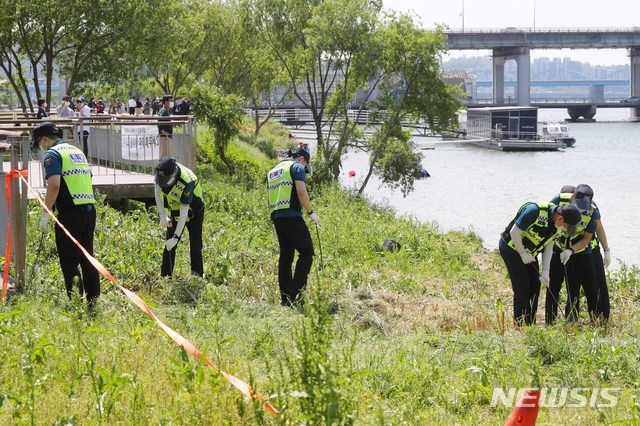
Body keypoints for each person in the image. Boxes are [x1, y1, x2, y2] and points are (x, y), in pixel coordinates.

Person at [32, 122, 100, 305]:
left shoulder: (53, 154)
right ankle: (93, 302)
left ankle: (76, 304)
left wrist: (46, 214)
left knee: (70, 262)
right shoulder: (76, 152)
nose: (40, 148)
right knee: (87, 258)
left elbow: (54, 185)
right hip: (89, 210)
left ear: (44, 140)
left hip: (70, 214)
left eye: (39, 143)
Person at [499, 201, 581, 326]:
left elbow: (549, 246)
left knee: (535, 285)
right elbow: (514, 232)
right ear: (560, 218)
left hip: (529, 252)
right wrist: (522, 254)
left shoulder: (556, 226)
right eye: (566, 226)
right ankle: (519, 324)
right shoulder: (533, 211)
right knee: (523, 284)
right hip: (511, 248)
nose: (565, 229)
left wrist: (546, 272)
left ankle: (530, 322)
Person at [545, 184, 606, 324]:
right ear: (573, 198)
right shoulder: (558, 201)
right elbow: (549, 222)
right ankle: (549, 322)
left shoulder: (593, 211)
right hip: (557, 248)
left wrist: (571, 251)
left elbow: (587, 238)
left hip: (581, 251)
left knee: (591, 286)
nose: (583, 207)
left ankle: (597, 322)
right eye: (580, 203)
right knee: (553, 285)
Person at [267, 147, 319, 307]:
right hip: (291, 215)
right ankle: (297, 297)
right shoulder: (296, 167)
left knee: (286, 256)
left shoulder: (274, 170)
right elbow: (301, 192)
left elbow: (269, 198)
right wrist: (310, 212)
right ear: (302, 159)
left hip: (277, 216)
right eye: (306, 166)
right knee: (307, 251)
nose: (304, 169)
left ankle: (286, 299)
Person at [154, 157, 205, 277]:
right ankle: (166, 276)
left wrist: (176, 237)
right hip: (175, 208)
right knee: (169, 245)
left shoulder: (187, 182)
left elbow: (184, 214)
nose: (162, 182)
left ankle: (197, 276)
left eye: (165, 179)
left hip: (194, 211)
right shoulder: (162, 172)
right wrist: (162, 215)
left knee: (195, 244)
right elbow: (157, 192)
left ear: (174, 173)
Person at [157, 95, 173, 159]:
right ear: (166, 102)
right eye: (171, 101)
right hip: (164, 137)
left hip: (166, 137)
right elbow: (159, 120)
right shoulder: (163, 111)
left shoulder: (166, 110)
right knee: (164, 156)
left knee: (166, 155)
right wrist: (163, 131)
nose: (172, 102)